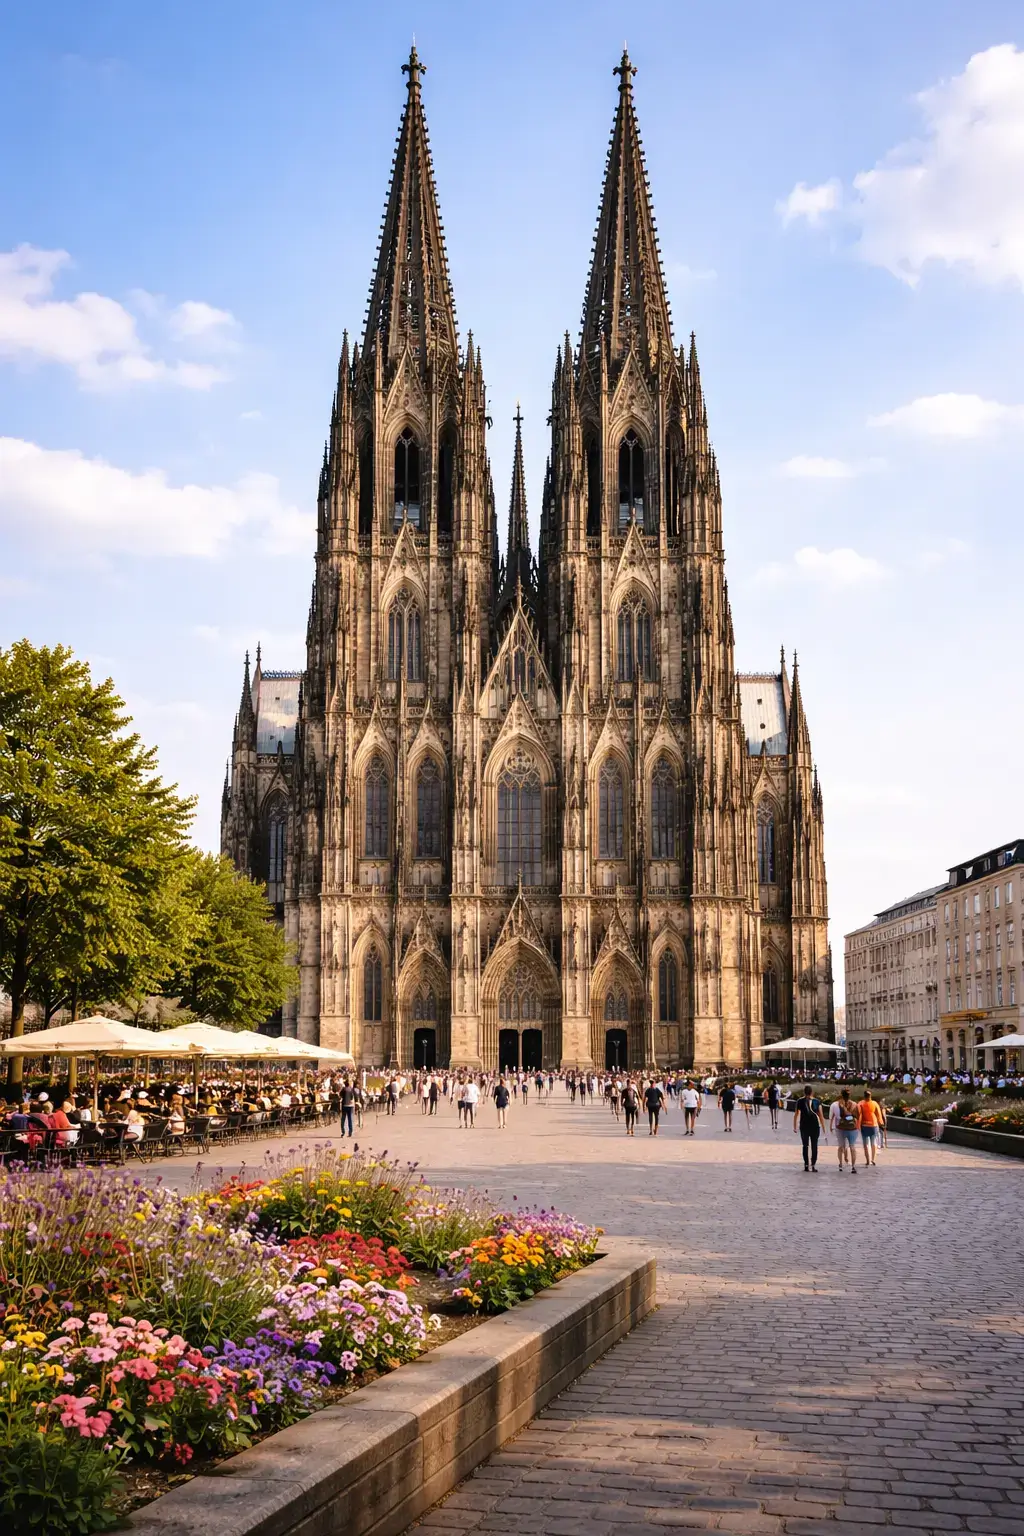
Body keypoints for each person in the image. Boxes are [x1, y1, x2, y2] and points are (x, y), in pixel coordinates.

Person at [793, 1084, 826, 1171]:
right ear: (812, 1092)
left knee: (805, 1145)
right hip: (815, 1126)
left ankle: (806, 1165)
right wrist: (823, 1127)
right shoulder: (817, 1101)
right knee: (814, 1145)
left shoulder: (799, 1101)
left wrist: (795, 1126)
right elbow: (821, 1115)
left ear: (804, 1092)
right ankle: (813, 1165)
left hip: (804, 1126)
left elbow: (796, 1114)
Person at [830, 1089, 860, 1172]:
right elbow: (857, 1116)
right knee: (852, 1147)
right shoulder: (854, 1104)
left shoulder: (838, 1104)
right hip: (852, 1128)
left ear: (841, 1095)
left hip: (841, 1128)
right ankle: (853, 1166)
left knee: (841, 1146)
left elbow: (835, 1116)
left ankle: (840, 1164)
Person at [858, 1088, 882, 1166]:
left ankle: (867, 1160)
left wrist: (857, 1124)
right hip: (873, 1125)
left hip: (864, 1125)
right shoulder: (874, 1103)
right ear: (870, 1096)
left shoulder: (861, 1103)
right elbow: (878, 1113)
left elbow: (858, 1113)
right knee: (873, 1142)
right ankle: (873, 1159)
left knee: (865, 1144)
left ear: (864, 1096)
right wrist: (881, 1122)